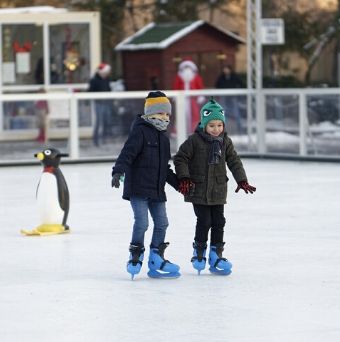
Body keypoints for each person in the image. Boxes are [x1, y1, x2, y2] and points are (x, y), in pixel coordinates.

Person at [173, 99, 256, 276]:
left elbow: (234, 160)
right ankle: (199, 251)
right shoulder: (194, 141)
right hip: (199, 189)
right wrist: (185, 177)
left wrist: (241, 180)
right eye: (212, 125)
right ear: (204, 125)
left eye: (219, 125)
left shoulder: (225, 141)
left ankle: (216, 254)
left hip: (218, 189)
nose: (216, 129)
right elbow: (180, 158)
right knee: (204, 221)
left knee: (219, 221)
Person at [111, 91, 181, 279]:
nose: (165, 118)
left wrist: (179, 185)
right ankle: (136, 254)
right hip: (139, 188)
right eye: (161, 114)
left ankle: (156, 257)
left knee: (162, 223)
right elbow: (127, 153)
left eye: (167, 115)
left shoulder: (164, 139)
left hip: (157, 190)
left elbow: (165, 169)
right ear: (150, 114)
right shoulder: (140, 131)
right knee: (142, 223)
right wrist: (118, 171)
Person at [172, 59, 205, 133]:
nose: (187, 69)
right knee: (181, 114)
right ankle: (179, 131)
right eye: (185, 67)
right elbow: (175, 87)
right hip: (182, 99)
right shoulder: (179, 77)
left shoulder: (196, 77)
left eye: (189, 67)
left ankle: (195, 130)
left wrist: (200, 96)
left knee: (195, 114)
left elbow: (200, 87)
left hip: (193, 99)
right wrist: (175, 96)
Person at [88, 63, 113, 146]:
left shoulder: (107, 80)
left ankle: (104, 139)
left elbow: (109, 90)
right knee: (98, 121)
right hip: (98, 103)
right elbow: (90, 91)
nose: (106, 74)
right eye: (105, 72)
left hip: (107, 103)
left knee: (107, 121)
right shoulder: (94, 80)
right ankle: (96, 140)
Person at [215, 65, 244, 134]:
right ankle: (222, 129)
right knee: (223, 113)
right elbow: (217, 85)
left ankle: (240, 127)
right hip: (224, 98)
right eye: (224, 69)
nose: (225, 71)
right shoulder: (221, 77)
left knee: (236, 113)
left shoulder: (234, 76)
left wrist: (237, 92)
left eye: (226, 69)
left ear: (230, 70)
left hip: (233, 98)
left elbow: (241, 84)